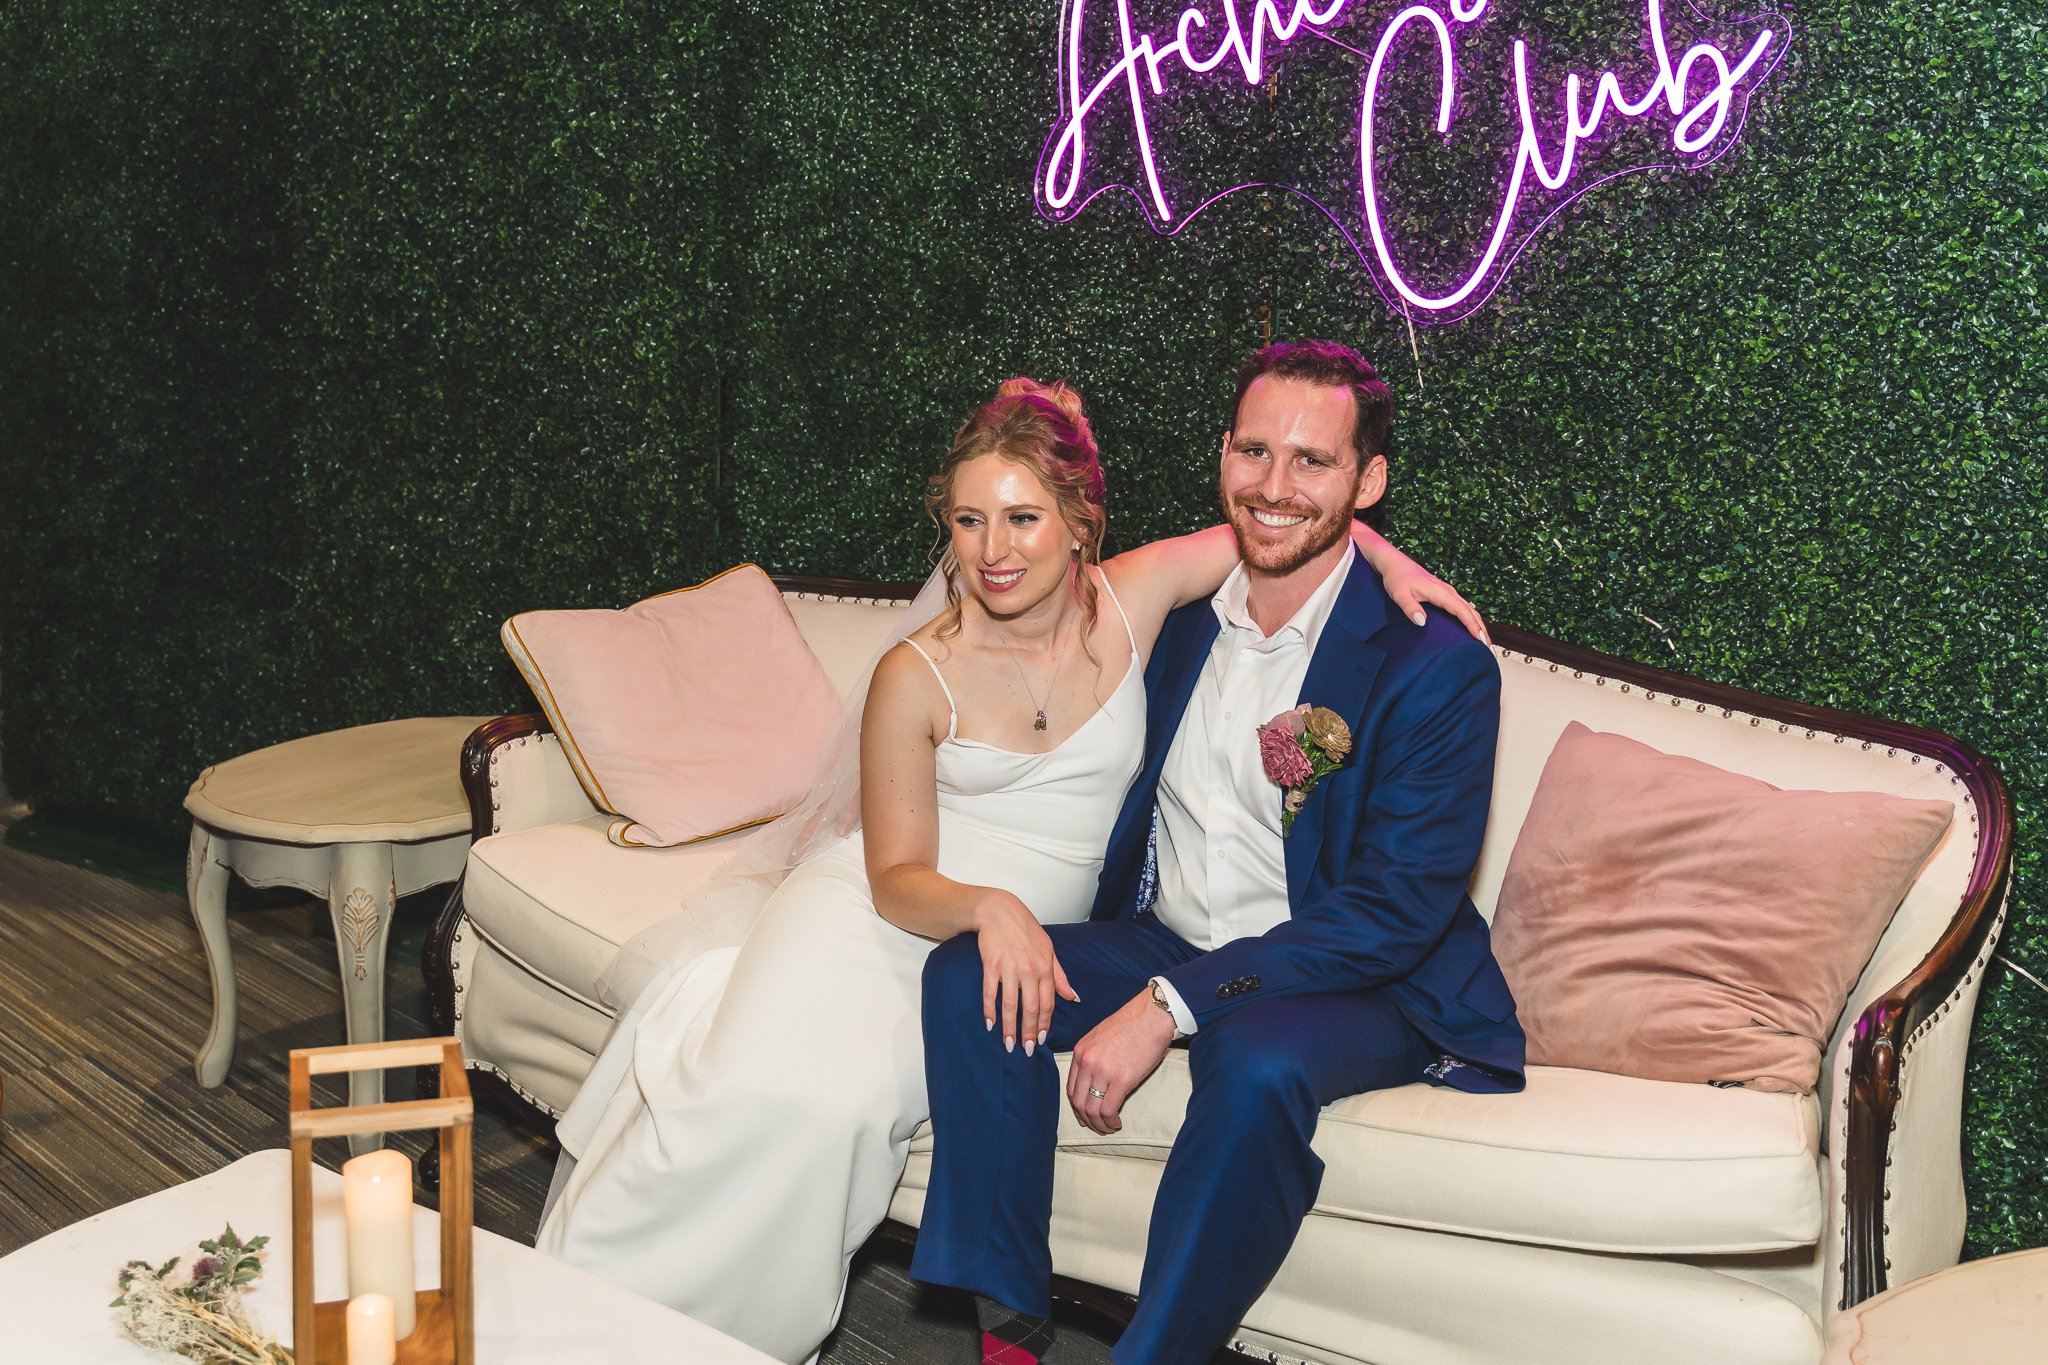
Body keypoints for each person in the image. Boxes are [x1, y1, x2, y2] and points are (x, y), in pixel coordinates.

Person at [535, 374, 1485, 1364]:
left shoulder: (1136, 597)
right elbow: (895, 876)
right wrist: (989, 908)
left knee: (846, 1114)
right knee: (765, 1099)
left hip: (1054, 938)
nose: (994, 550)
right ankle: (600, 1319)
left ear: (1079, 524)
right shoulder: (917, 671)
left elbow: (1284, 521)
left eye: (1023, 518)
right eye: (969, 521)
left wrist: (1384, 555)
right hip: (882, 919)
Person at [910, 343, 1527, 1365]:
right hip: (1171, 935)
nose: (1274, 488)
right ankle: (1010, 1330)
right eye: (1253, 453)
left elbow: (1388, 915)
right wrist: (1153, 973)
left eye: (1311, 462)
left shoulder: (1436, 668)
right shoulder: (1178, 622)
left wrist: (1168, 1007)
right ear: (1222, 458)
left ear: (1367, 481)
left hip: (1360, 978)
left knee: (1252, 1057)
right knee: (968, 974)